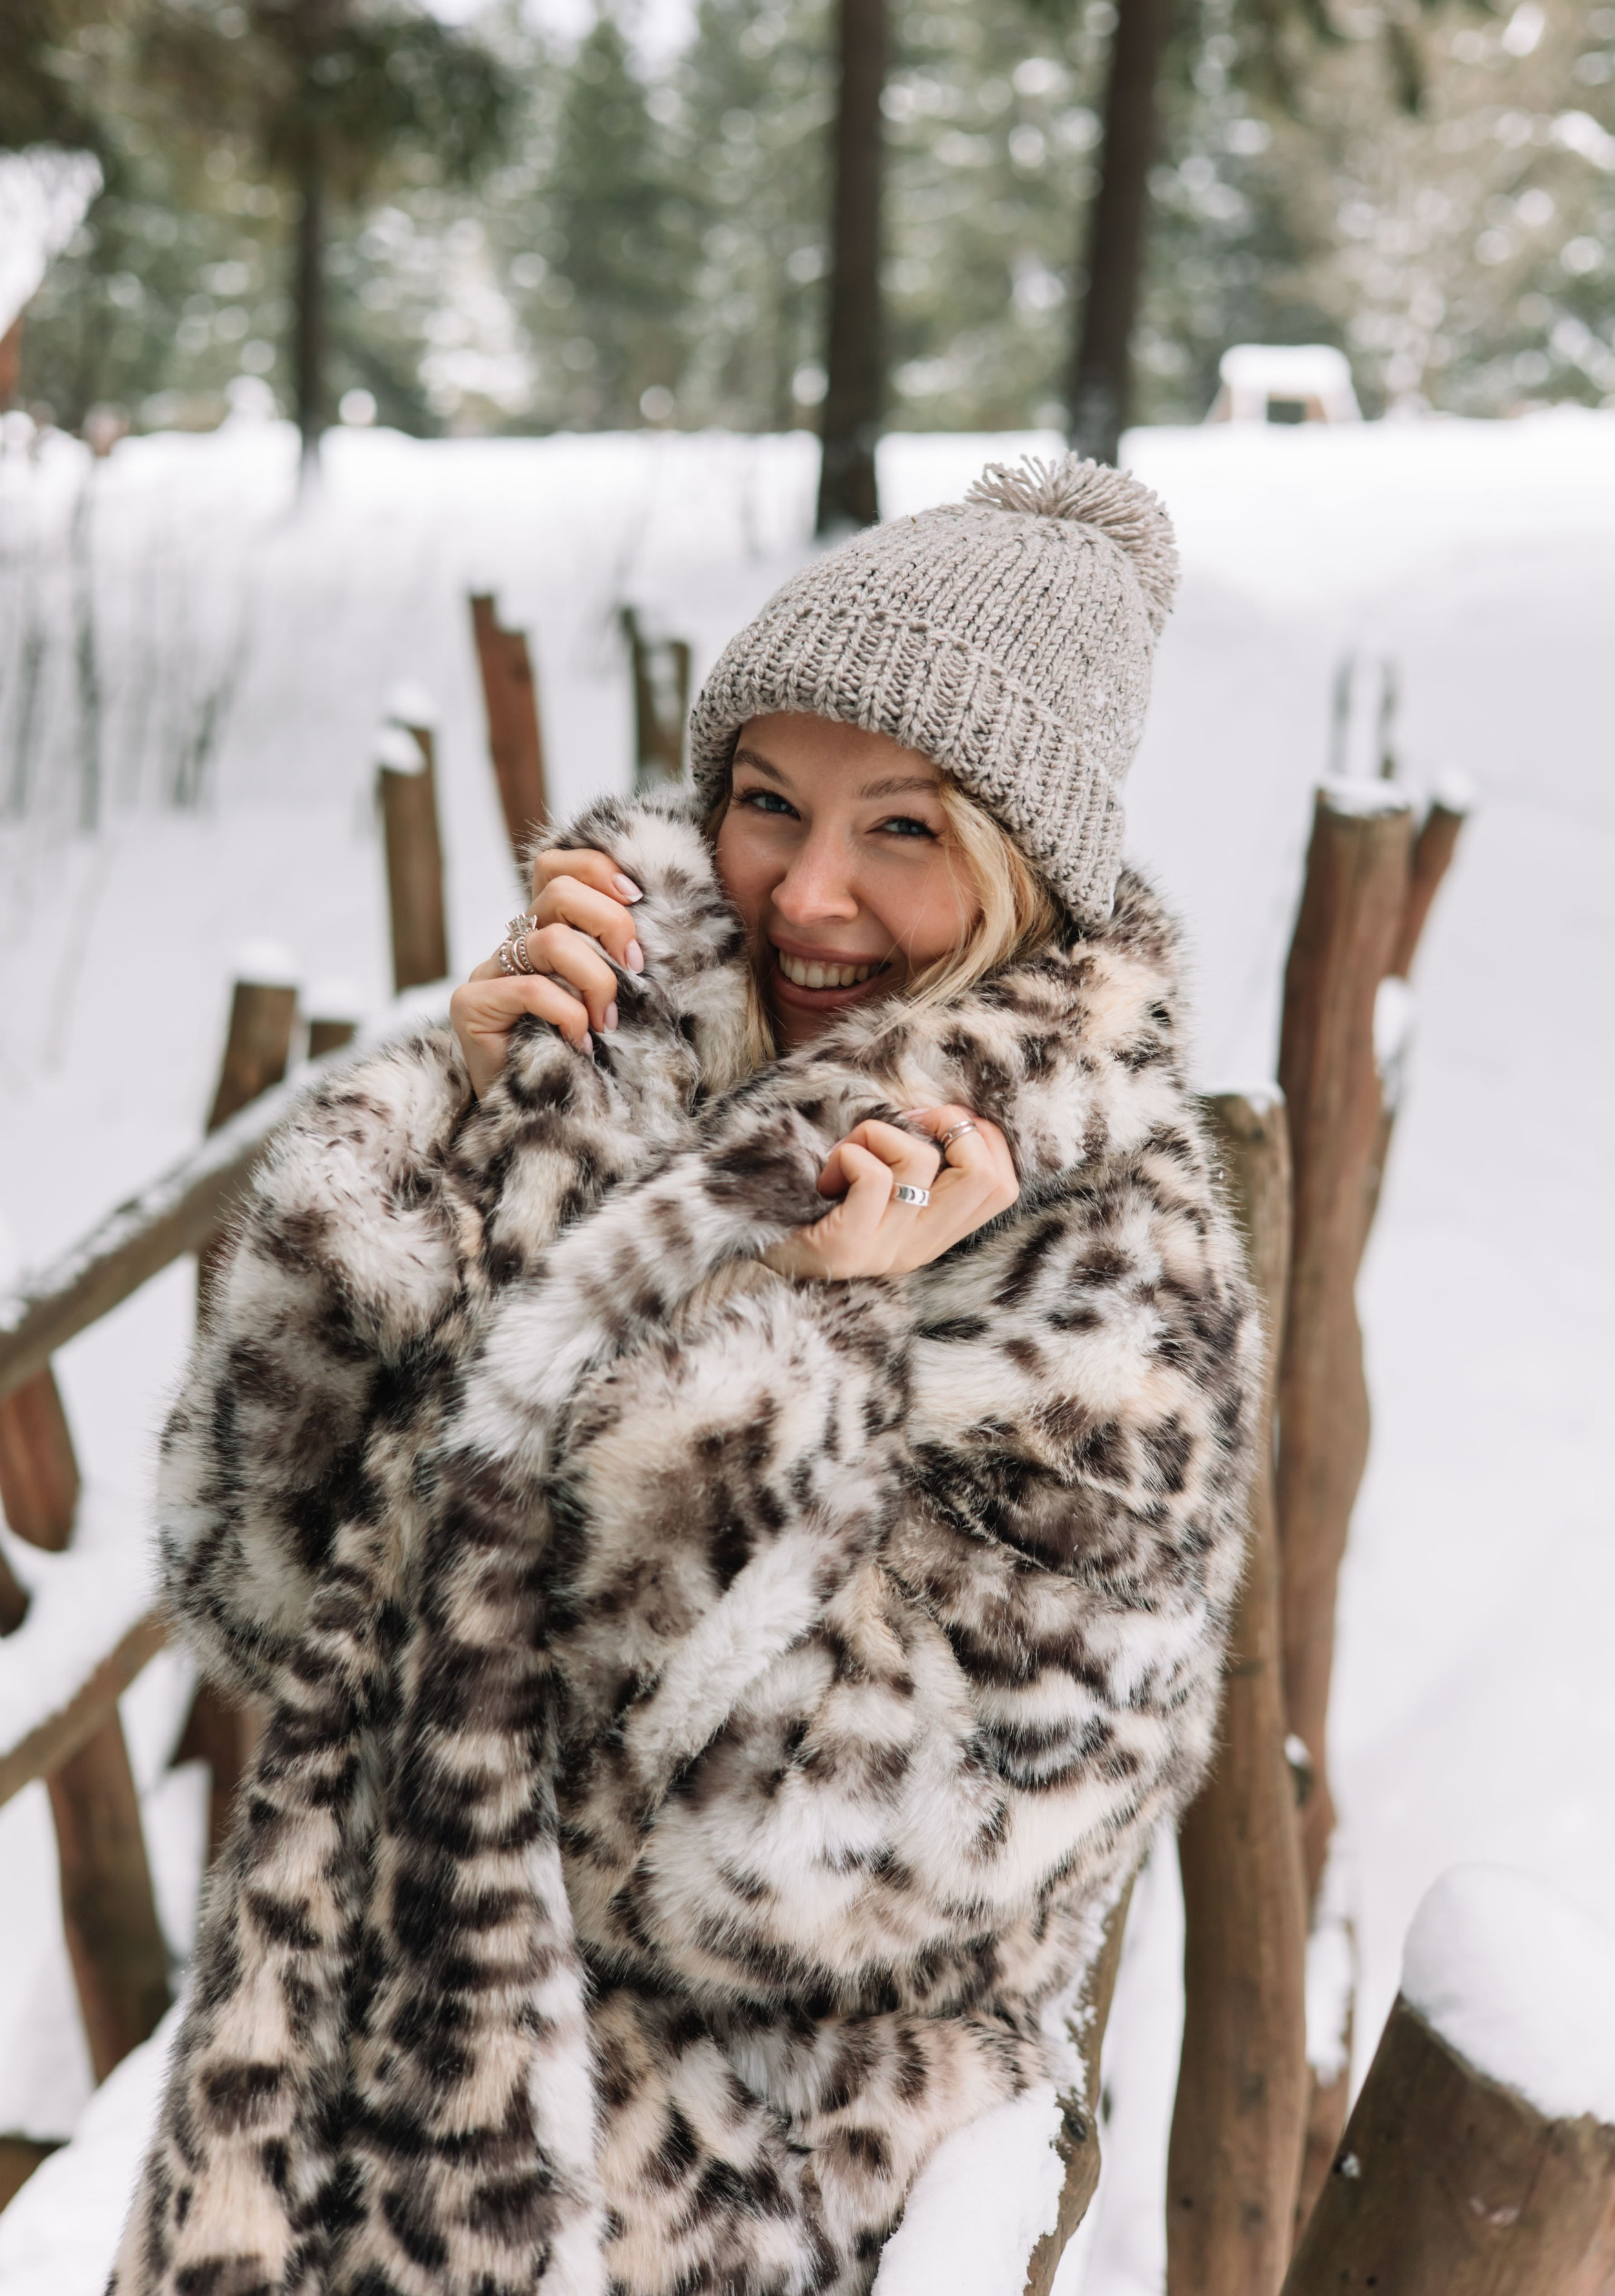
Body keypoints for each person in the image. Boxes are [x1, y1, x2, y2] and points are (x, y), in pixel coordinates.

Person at [115, 455, 1259, 2296]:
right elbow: (251, 1585)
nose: (806, 892)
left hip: (712, 2190)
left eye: (905, 829)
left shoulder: (1110, 1274)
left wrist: (809, 1336)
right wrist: (452, 1136)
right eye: (766, 802)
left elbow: (772, 1868)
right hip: (311, 2124)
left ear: (1026, 869)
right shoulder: (631, 1070)